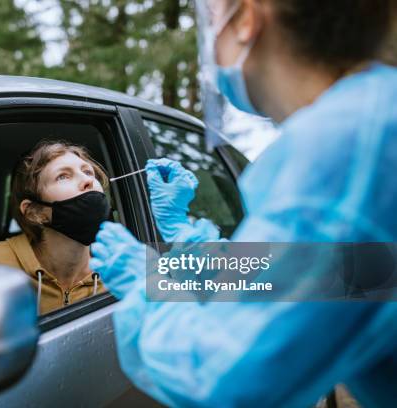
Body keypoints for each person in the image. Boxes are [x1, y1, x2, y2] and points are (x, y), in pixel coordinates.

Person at [89, 0, 397, 407]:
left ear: (247, 18)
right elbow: (324, 275)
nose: (209, 39)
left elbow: (226, 378)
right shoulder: (373, 117)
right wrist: (182, 234)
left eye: (212, 18)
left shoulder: (348, 147)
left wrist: (148, 285)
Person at [0, 141, 109, 314]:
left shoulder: (123, 262)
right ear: (34, 212)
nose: (88, 180)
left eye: (88, 171)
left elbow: (155, 317)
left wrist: (153, 258)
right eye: (63, 176)